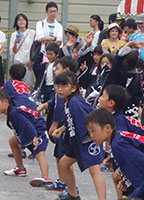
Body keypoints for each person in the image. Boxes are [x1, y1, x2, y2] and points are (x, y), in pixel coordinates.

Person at [52, 72, 105, 200]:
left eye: (64, 86)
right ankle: (73, 195)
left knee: (94, 170)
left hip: (88, 140)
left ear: (73, 88)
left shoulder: (75, 102)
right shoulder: (69, 101)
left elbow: (86, 122)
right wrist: (62, 129)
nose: (59, 89)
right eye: (57, 86)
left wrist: (94, 139)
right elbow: (71, 119)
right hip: (76, 141)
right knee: (63, 163)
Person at [98, 84, 144, 198]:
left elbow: (125, 147)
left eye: (103, 96)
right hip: (138, 153)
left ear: (111, 103)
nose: (99, 98)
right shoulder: (114, 118)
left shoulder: (118, 124)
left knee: (118, 176)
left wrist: (120, 167)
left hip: (141, 157)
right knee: (117, 177)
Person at [0, 91, 52, 187]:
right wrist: (22, 141)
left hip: (38, 130)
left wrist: (34, 137)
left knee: (39, 153)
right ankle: (20, 169)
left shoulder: (14, 114)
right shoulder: (11, 115)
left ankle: (45, 178)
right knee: (13, 141)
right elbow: (20, 129)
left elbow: (28, 125)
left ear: (6, 102)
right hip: (31, 130)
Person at [85, 109, 144, 192]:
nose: (91, 136)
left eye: (93, 131)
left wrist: (139, 193)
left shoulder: (118, 145)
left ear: (107, 128)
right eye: (89, 132)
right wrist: (126, 181)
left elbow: (141, 167)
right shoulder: (117, 139)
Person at [36, 56, 78, 195]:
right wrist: (45, 104)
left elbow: (60, 107)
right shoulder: (61, 85)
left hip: (63, 125)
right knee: (58, 155)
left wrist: (55, 125)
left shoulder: (66, 88)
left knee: (65, 158)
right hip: (62, 126)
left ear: (66, 70)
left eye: (57, 68)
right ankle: (62, 181)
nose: (54, 70)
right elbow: (54, 101)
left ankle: (70, 187)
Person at [10, 13, 35, 90]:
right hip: (18, 61)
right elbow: (13, 51)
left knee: (29, 84)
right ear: (16, 22)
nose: (21, 21)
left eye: (23, 20)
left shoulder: (32, 33)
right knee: (16, 83)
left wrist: (31, 60)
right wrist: (15, 42)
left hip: (28, 61)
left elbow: (34, 47)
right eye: (19, 20)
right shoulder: (14, 35)